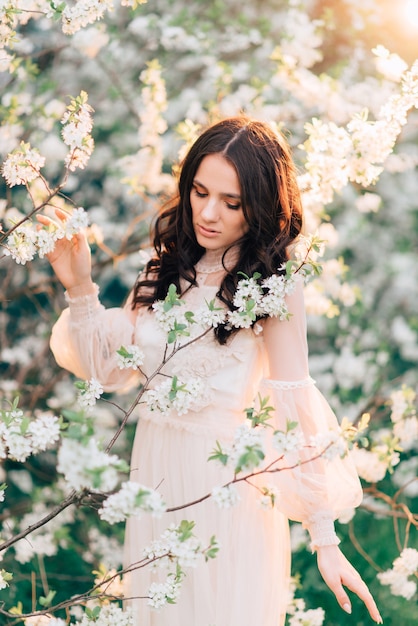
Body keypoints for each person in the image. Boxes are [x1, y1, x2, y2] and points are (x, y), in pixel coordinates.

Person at [42, 117, 383, 626]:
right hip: (155, 477)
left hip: (229, 487)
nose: (207, 213)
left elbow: (292, 402)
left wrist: (324, 537)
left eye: (232, 202)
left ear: (261, 206)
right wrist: (80, 285)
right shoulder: (162, 267)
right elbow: (109, 370)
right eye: (200, 192)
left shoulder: (273, 283)